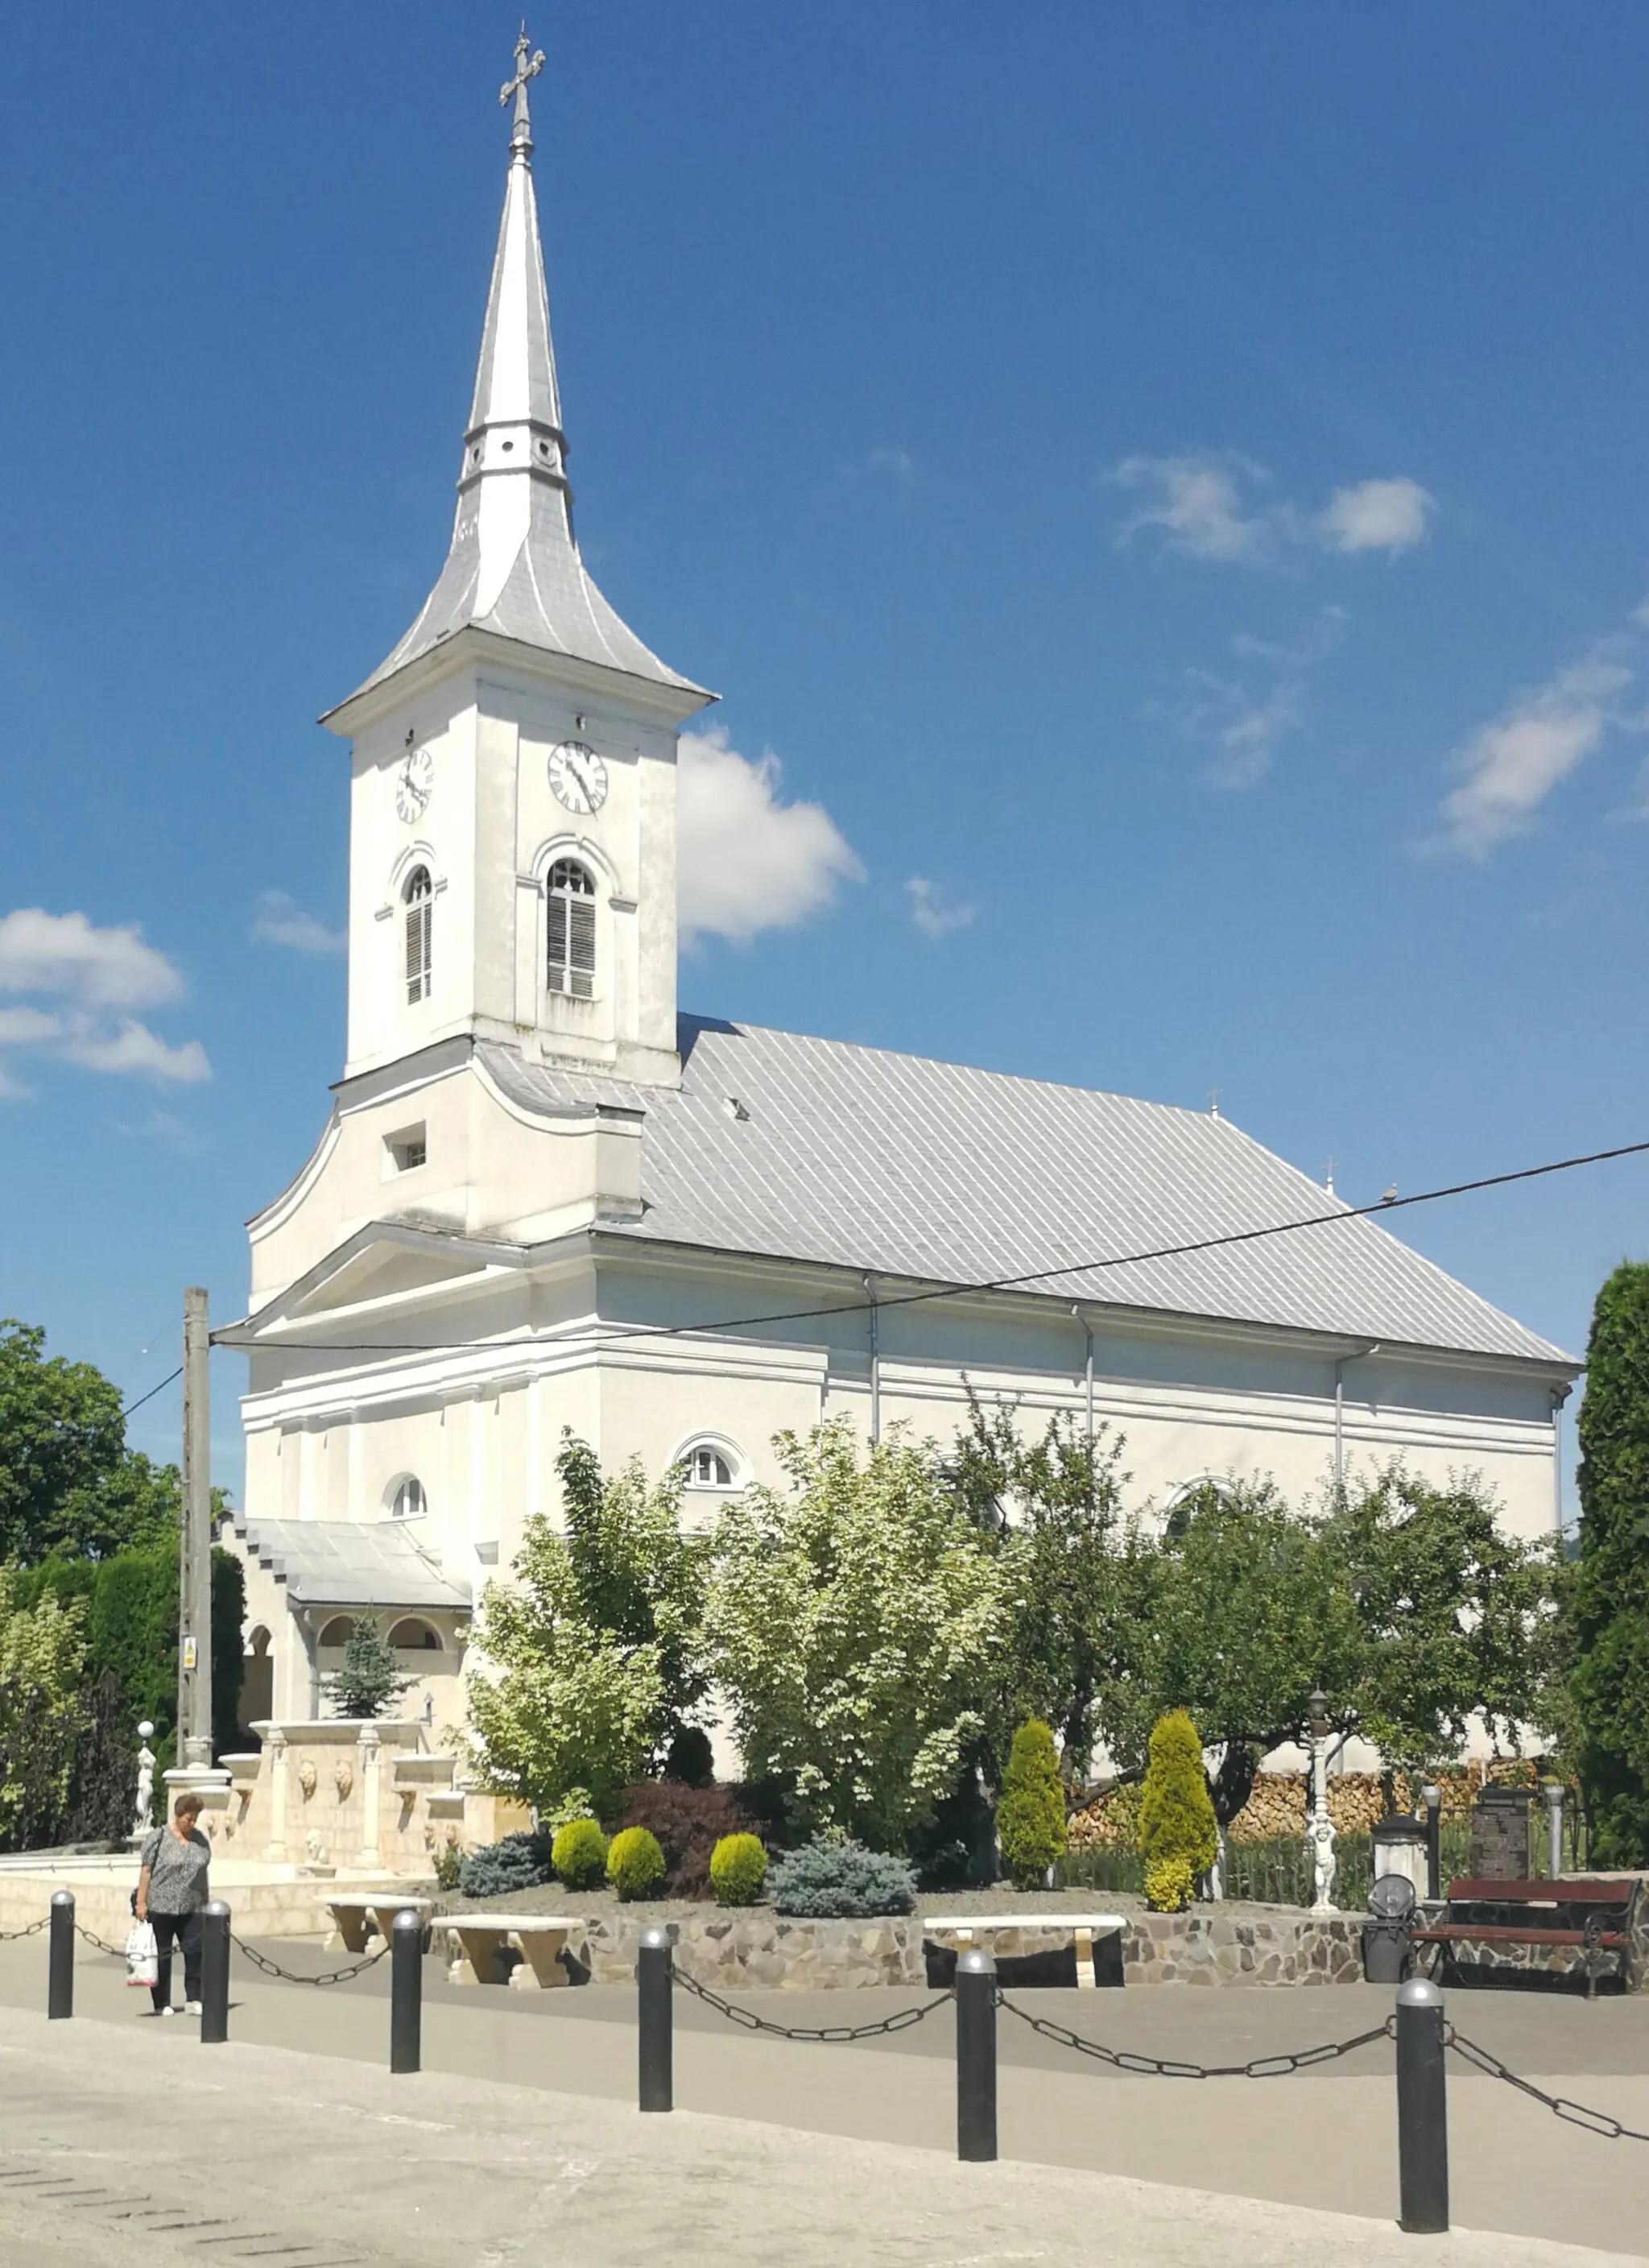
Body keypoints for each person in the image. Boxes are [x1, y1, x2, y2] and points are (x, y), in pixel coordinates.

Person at [135, 1791, 212, 2017]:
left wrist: (206, 1901)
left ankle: (194, 1997)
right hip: (161, 1905)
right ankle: (161, 2002)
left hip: (191, 1905)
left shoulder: (199, 1840)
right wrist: (141, 1902)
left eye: (195, 1818)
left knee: (195, 1952)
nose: (192, 1823)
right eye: (189, 1818)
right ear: (178, 1815)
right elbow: (146, 1870)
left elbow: (202, 1873)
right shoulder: (159, 1837)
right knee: (162, 1955)